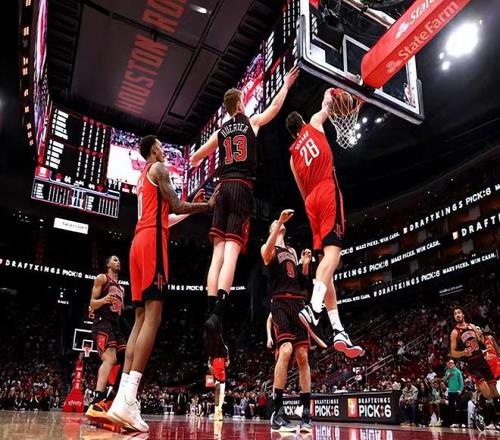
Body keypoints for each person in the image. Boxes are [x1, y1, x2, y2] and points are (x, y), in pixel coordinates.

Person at [107, 135, 217, 432]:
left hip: (137, 244)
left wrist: (192, 205)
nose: (164, 150)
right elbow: (178, 205)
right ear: (154, 149)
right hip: (152, 243)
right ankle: (130, 398)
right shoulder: (159, 169)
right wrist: (207, 205)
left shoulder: (143, 177)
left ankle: (121, 399)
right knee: (154, 318)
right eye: (161, 146)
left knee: (140, 319)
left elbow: (166, 215)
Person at [189, 67, 299, 351]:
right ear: (239, 104)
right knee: (231, 253)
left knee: (216, 254)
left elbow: (195, 158)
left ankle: (210, 312)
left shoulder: (220, 131)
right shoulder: (252, 122)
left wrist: (200, 157)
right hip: (241, 187)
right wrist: (285, 86)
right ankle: (218, 314)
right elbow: (275, 108)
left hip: (221, 188)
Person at [285, 89, 363, 357]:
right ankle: (313, 307)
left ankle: (338, 329)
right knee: (333, 255)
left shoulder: (292, 157)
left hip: (310, 202)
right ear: (301, 123)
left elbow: (301, 191)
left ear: (291, 134)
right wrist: (332, 91)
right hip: (326, 189)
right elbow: (328, 105)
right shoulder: (314, 123)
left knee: (325, 266)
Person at [261, 209, 312, 432]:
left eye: (281, 222)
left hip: (297, 303)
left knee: (303, 356)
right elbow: (266, 256)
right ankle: (277, 411)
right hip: (280, 301)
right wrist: (279, 222)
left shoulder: (291, 250)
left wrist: (305, 264)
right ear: (272, 229)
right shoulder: (269, 246)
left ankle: (305, 413)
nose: (280, 223)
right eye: (276, 223)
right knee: (286, 350)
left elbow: (301, 282)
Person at [86, 255, 127, 421]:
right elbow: (92, 304)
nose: (118, 261)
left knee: (128, 358)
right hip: (102, 322)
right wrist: (103, 300)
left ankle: (112, 396)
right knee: (109, 358)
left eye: (119, 260)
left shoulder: (122, 288)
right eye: (115, 259)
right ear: (108, 264)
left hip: (115, 326)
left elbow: (120, 313)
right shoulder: (102, 278)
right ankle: (97, 400)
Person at [450, 306, 499, 430]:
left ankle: (484, 412)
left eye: (459, 312)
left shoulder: (472, 326)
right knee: (487, 393)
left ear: (463, 314)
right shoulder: (455, 332)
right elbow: (453, 353)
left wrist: (481, 337)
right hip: (472, 364)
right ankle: (479, 414)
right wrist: (463, 353)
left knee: (495, 394)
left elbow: (481, 344)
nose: (457, 315)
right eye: (455, 314)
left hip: (482, 361)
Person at [444, 359, 464, 428]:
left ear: (454, 364)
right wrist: (448, 377)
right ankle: (453, 422)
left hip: (457, 392)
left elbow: (461, 382)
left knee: (458, 407)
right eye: (449, 363)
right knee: (451, 408)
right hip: (450, 392)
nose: (450, 364)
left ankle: (460, 422)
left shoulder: (458, 371)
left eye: (452, 363)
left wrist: (460, 390)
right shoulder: (447, 372)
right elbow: (444, 381)